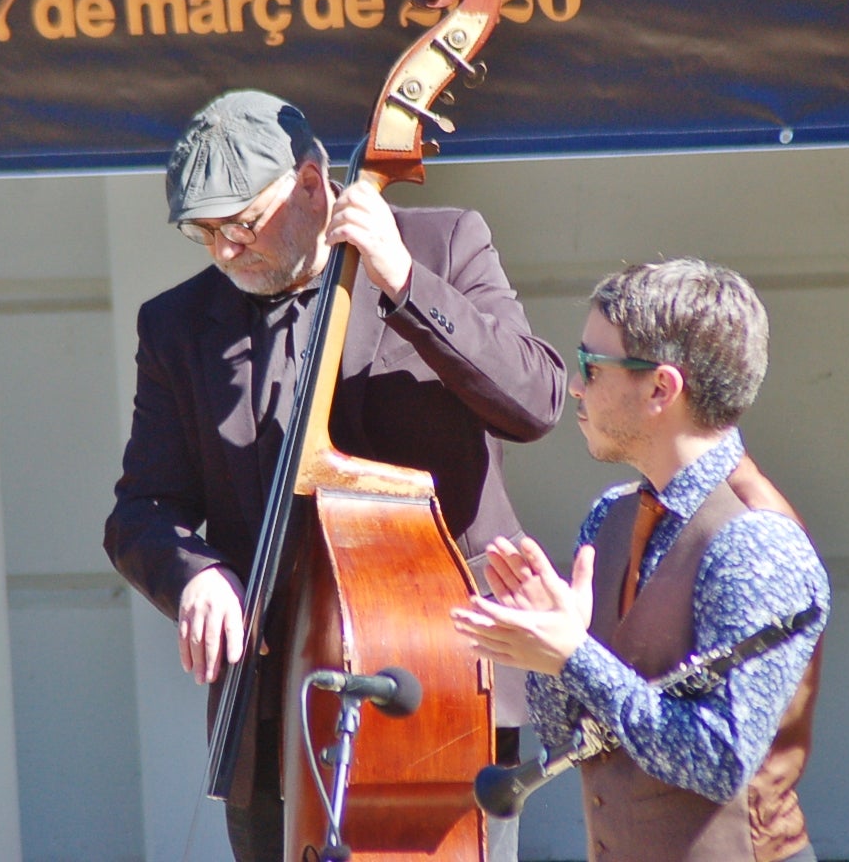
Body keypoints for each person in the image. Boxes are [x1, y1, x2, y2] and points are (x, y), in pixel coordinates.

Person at [103, 89, 565, 862]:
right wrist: (195, 575)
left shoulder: (445, 244)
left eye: (243, 224)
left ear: (314, 183)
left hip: (442, 681)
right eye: (202, 233)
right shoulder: (175, 326)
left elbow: (535, 400)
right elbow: (142, 508)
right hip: (278, 706)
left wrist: (402, 278)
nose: (224, 252)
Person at [451, 258, 829, 862]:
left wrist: (576, 656)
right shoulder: (612, 516)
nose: (575, 385)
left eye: (591, 366)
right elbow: (572, 737)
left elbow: (719, 761)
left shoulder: (758, 541)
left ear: (662, 388)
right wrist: (554, 657)